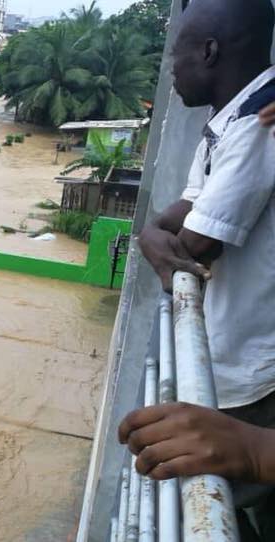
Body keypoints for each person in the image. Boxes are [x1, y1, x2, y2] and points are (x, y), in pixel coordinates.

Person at [119, 0, 275, 536]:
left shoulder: (260, 121)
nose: (170, 69)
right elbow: (182, 210)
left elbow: (197, 243)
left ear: (209, 52)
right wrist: (149, 234)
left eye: (175, 55)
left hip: (255, 372)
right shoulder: (228, 118)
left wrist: (161, 240)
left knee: (214, 508)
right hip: (236, 359)